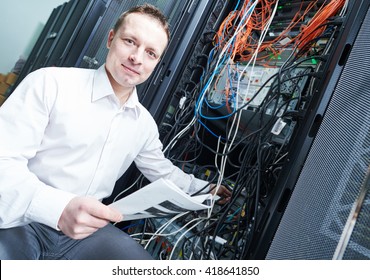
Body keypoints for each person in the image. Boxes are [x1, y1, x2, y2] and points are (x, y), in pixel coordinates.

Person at [0, 4, 230, 260]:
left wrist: (207, 189)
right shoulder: (49, 83)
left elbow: (164, 173)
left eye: (151, 53)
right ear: (111, 39)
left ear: (156, 63)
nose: (137, 58)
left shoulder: (143, 124)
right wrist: (58, 208)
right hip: (21, 217)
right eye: (130, 42)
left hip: (85, 233)